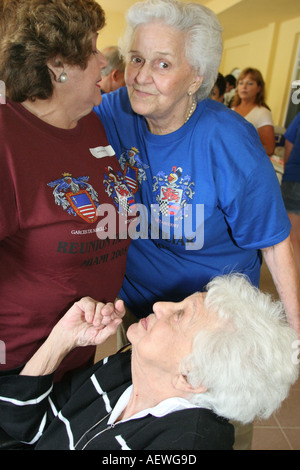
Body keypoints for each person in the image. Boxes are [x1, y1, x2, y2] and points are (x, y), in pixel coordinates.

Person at [94, 0, 300, 346]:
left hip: (209, 321)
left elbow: (275, 246)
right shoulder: (116, 111)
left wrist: (295, 336)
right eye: (137, 59)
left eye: (163, 64)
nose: (142, 77)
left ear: (196, 78)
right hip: (138, 308)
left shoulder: (228, 140)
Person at [0, 274, 298, 450]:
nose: (160, 306)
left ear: (191, 377)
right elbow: (25, 424)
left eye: (179, 315)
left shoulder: (187, 444)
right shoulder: (120, 372)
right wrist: (61, 340)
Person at [0, 0, 134, 381]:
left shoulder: (91, 123)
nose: (102, 63)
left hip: (77, 353)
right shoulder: (7, 138)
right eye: (92, 48)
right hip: (19, 365)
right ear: (57, 65)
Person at [232, 67, 275, 156]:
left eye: (250, 83)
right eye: (241, 83)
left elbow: (269, 149)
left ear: (259, 88)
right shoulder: (232, 110)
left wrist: (243, 151)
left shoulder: (263, 113)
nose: (244, 87)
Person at [281, 112, 300, 278]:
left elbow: (289, 144)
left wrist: (288, 170)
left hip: (296, 179)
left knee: (293, 238)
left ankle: (295, 285)